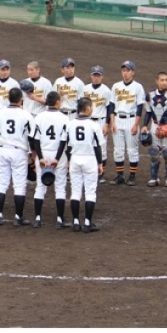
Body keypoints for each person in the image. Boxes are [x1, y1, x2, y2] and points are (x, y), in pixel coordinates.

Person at [59, 97, 105, 232]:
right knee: (90, 192)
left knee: (75, 192)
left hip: (75, 158)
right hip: (89, 159)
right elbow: (97, 147)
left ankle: (75, 222)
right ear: (88, 108)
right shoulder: (94, 125)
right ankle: (87, 222)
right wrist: (100, 163)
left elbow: (67, 146)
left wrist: (69, 159)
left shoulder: (70, 124)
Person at [0, 87, 33, 226]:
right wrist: (32, 155)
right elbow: (31, 137)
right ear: (21, 99)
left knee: (1, 183)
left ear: (8, 98)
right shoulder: (26, 115)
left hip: (3, 150)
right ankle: (18, 217)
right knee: (19, 185)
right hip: (19, 151)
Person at [31, 91, 70, 229]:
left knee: (40, 187)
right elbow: (64, 141)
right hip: (58, 154)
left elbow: (35, 140)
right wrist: (57, 159)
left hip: (43, 152)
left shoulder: (39, 117)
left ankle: (37, 218)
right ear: (58, 102)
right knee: (60, 187)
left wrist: (40, 157)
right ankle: (60, 219)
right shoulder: (64, 118)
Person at [109, 60, 146, 185]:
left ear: (133, 72)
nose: (125, 73)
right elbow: (112, 106)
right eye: (124, 70)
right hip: (118, 119)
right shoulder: (116, 86)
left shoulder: (138, 87)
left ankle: (132, 176)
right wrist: (112, 122)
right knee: (118, 150)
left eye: (128, 70)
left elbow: (140, 107)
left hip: (131, 119)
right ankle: (120, 175)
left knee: (132, 150)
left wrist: (136, 124)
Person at [82, 65, 113, 184]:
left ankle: (101, 173)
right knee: (86, 145)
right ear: (91, 76)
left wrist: (107, 124)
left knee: (102, 147)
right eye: (94, 75)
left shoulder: (106, 90)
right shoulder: (85, 89)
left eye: (98, 75)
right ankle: (87, 171)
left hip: (101, 121)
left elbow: (109, 108)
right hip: (87, 120)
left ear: (102, 76)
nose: (96, 77)